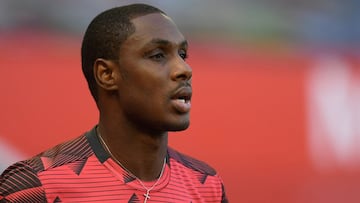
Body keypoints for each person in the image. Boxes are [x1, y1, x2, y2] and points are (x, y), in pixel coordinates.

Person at [0, 3, 228, 203]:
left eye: (183, 54)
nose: (184, 69)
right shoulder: (34, 185)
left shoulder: (206, 185)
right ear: (107, 74)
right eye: (158, 55)